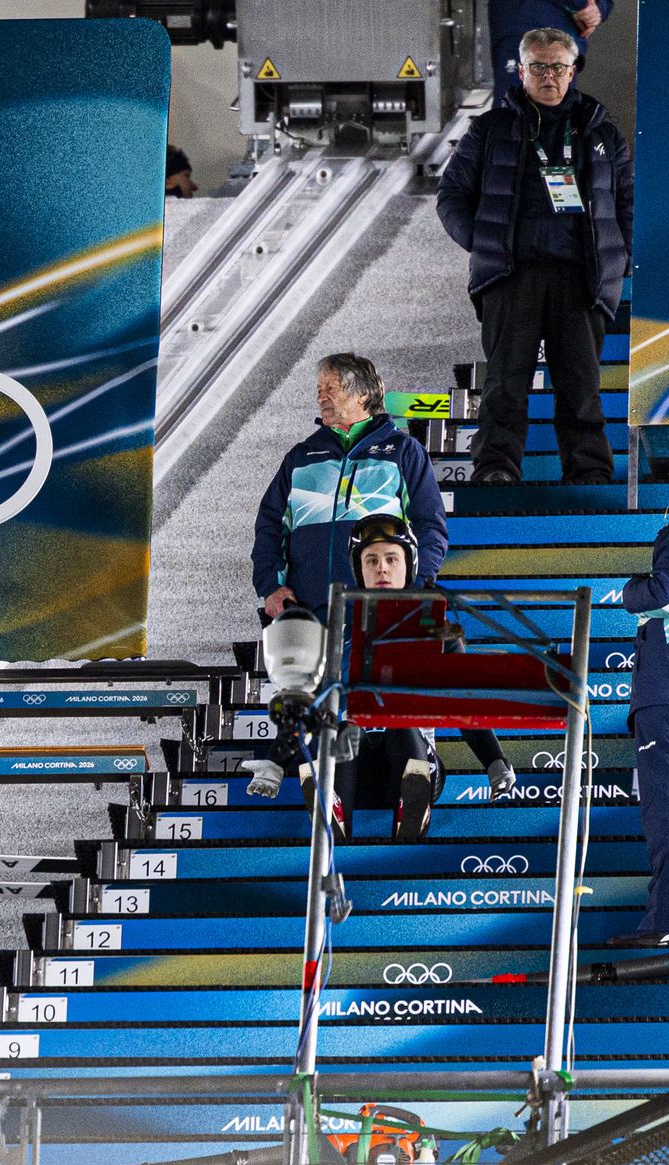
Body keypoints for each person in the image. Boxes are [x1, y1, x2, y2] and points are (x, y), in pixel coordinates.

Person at [436, 26, 632, 485]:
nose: (549, 76)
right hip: (511, 275)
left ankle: (589, 472)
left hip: (579, 279)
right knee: (505, 384)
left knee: (581, 386)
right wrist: (483, 241)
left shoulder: (601, 132)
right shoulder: (489, 129)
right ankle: (496, 470)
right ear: (521, 71)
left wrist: (616, 257)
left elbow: (629, 203)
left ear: (573, 70)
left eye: (558, 67)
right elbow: (450, 195)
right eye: (539, 67)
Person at [248, 515, 516, 839]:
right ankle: (332, 819)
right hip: (349, 762)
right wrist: (276, 764)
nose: (382, 569)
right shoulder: (333, 629)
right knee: (342, 729)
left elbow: (462, 700)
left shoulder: (437, 629)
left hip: (413, 761)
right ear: (359, 568)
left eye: (392, 559)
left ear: (410, 564)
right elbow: (305, 704)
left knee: (400, 726)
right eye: (371, 560)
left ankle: (412, 816)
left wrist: (495, 762)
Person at [253, 354, 448, 621]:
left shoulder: (403, 451)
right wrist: (271, 588)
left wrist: (416, 588)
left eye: (331, 389)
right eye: (319, 391)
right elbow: (270, 526)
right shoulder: (300, 457)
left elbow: (430, 526)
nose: (321, 398)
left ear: (363, 394)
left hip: (379, 612)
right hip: (305, 610)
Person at [616, 514, 669, 946]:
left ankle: (662, 921)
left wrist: (632, 588)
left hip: (663, 698)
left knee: (664, 813)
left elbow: (658, 591)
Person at [488, 0, 612, 105]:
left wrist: (597, 10)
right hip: (526, 24)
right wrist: (582, 6)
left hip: (567, 35)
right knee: (514, 116)